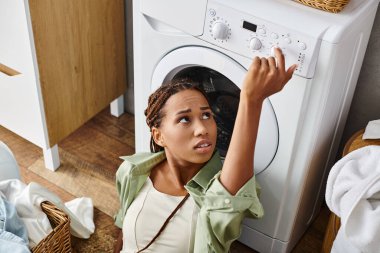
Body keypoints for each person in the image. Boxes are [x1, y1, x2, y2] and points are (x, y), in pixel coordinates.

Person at [114, 47, 297, 253]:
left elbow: (227, 196)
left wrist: (251, 99)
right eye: (185, 119)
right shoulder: (133, 171)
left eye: (207, 115)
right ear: (159, 136)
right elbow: (122, 229)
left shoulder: (214, 196)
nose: (202, 129)